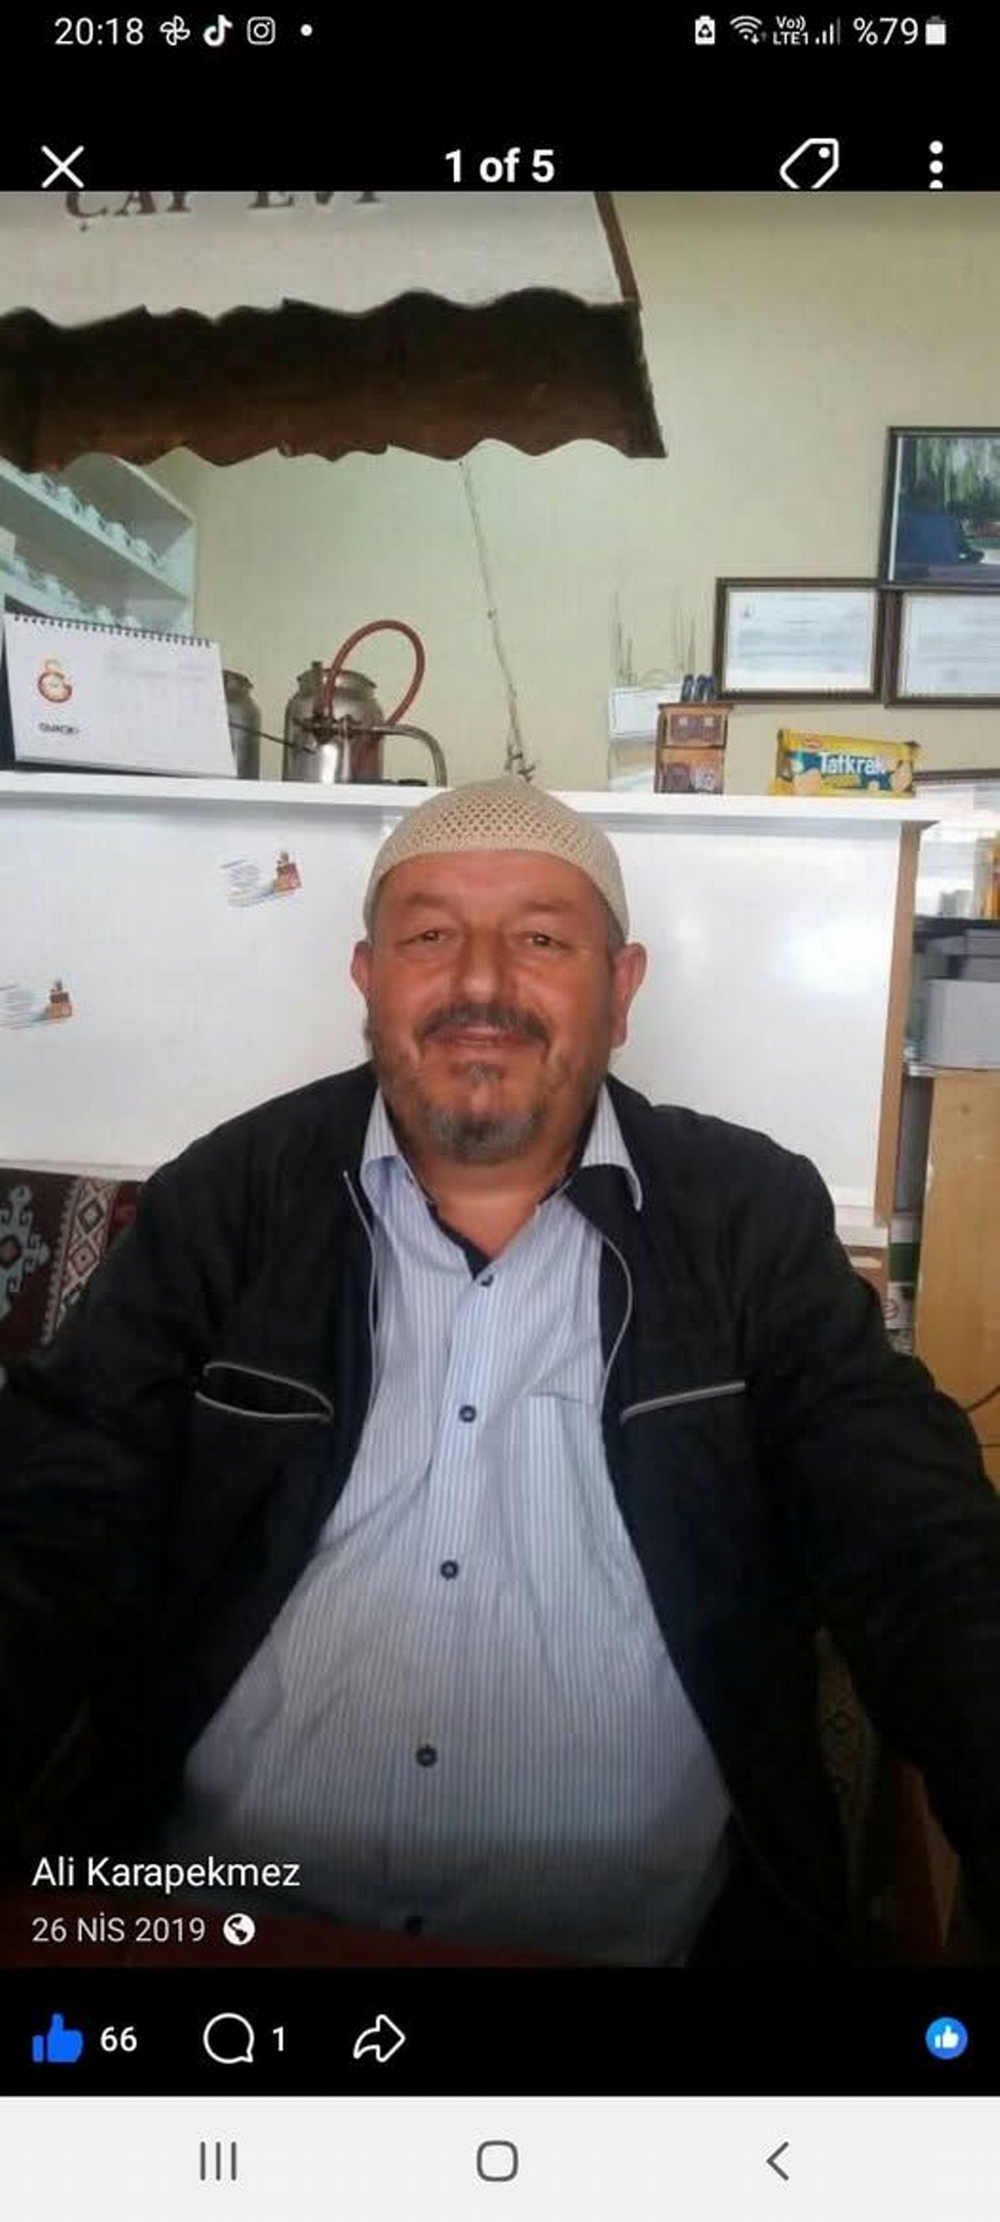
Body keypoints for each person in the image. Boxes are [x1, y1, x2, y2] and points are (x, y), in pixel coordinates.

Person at [2, 777, 1000, 1968]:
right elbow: (51, 1514)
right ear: (367, 978)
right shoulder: (227, 1199)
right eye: (430, 935)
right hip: (228, 1931)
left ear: (620, 989)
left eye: (540, 939)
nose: (480, 982)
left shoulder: (747, 1217)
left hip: (643, 1947)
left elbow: (913, 1535)